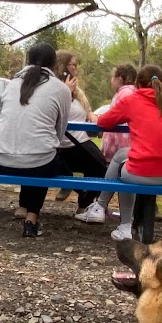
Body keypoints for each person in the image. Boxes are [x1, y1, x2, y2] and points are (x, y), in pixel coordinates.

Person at [90, 63, 162, 242]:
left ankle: (122, 224)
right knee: (122, 155)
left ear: (138, 84)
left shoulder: (132, 100)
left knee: (122, 169)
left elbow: (103, 122)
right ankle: (100, 207)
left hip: (143, 172)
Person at [0, 42, 72, 238]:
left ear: (28, 60)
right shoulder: (61, 89)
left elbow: (1, 116)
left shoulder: (11, 85)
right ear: (54, 65)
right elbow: (60, 131)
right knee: (44, 157)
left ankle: (23, 208)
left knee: (39, 154)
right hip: (39, 162)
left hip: (0, 160)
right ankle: (32, 219)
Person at [52, 50, 109, 223]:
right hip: (60, 145)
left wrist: (91, 114)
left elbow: (85, 110)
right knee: (100, 167)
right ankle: (77, 192)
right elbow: (53, 114)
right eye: (73, 65)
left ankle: (84, 203)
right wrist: (65, 92)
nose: (76, 69)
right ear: (63, 67)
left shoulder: (78, 92)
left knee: (101, 168)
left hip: (79, 142)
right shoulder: (53, 88)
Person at [93, 62, 138, 219]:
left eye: (113, 77)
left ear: (120, 78)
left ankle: (100, 207)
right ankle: (123, 213)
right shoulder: (135, 93)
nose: (111, 80)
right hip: (133, 147)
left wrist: (98, 119)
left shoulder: (123, 94)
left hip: (119, 148)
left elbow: (109, 120)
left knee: (108, 172)